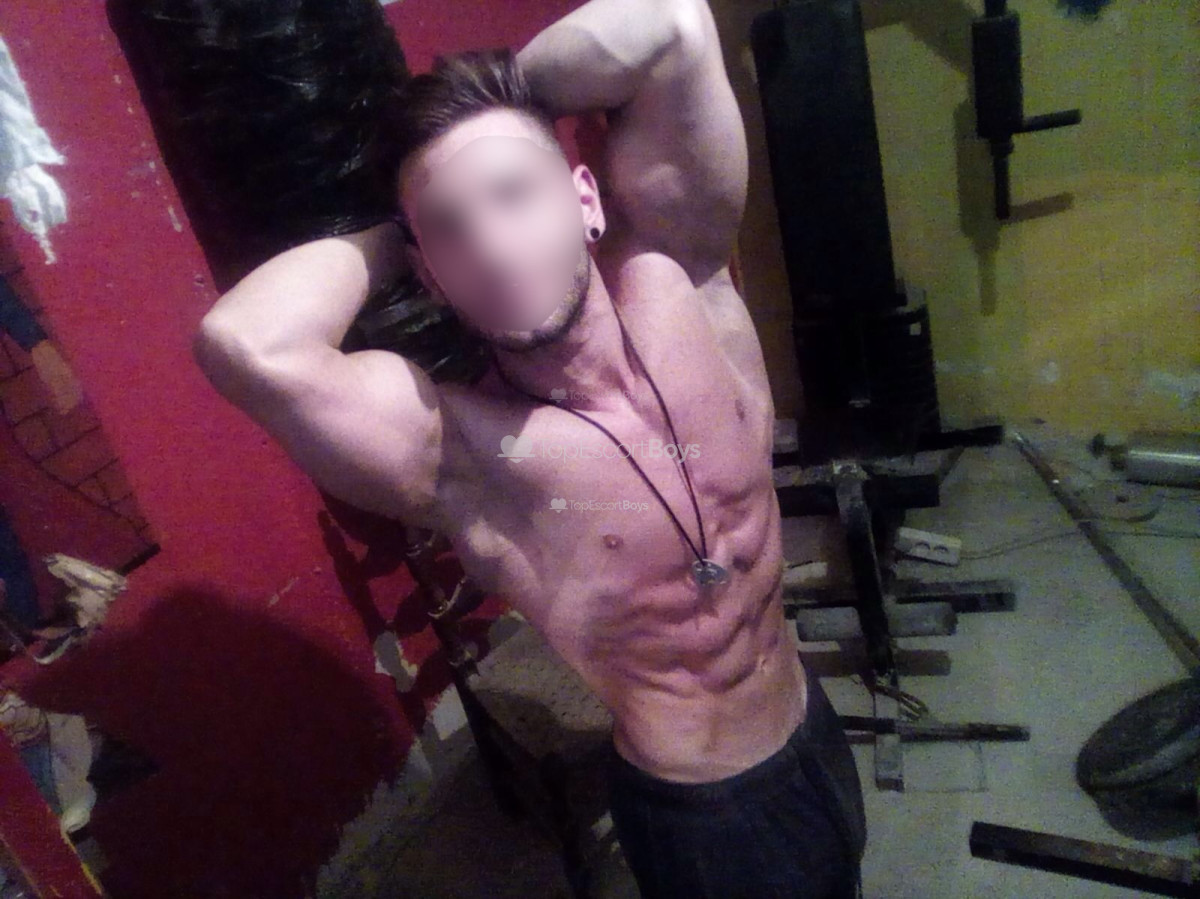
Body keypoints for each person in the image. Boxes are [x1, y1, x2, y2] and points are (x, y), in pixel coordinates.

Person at [193, 1, 866, 895]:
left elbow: (671, 22)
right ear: (429, 270)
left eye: (515, 195)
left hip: (812, 723)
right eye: (451, 228)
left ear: (585, 198)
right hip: (708, 813)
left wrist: (507, 100)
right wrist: (397, 234)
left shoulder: (681, 274)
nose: (496, 248)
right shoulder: (468, 452)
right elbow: (245, 344)